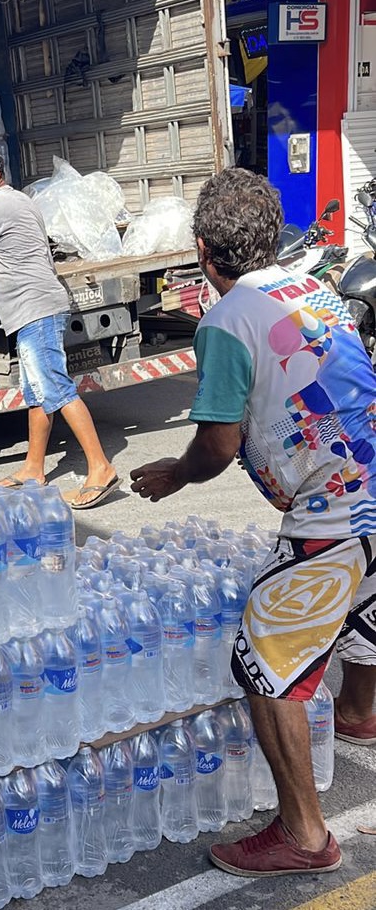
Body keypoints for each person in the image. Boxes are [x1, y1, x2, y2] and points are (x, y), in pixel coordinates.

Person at [131, 167, 376, 876]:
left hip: (336, 508)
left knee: (265, 661)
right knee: (360, 609)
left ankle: (303, 836)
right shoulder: (312, 288)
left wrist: (175, 473)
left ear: (204, 250)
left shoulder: (225, 320)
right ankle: (361, 714)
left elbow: (216, 445)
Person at [0, 145, 120, 508]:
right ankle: (33, 468)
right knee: (37, 392)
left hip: (32, 309)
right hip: (40, 306)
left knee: (55, 388)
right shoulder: (22, 201)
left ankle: (100, 468)